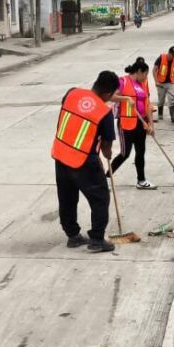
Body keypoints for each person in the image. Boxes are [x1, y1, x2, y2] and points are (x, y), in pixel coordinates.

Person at [51, 71, 121, 253]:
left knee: (66, 198)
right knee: (100, 198)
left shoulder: (72, 93)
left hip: (60, 154)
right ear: (107, 94)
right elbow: (106, 146)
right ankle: (97, 240)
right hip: (83, 160)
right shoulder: (104, 112)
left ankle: (73, 236)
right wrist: (107, 155)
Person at [110, 57, 158, 190]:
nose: (146, 78)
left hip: (140, 123)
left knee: (140, 151)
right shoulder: (123, 81)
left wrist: (151, 125)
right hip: (126, 123)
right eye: (145, 74)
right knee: (125, 153)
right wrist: (126, 98)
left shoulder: (143, 84)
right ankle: (106, 177)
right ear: (138, 71)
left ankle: (141, 180)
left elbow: (148, 105)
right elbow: (111, 97)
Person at [153, 46, 174, 122]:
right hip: (160, 83)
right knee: (161, 100)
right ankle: (160, 114)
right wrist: (156, 81)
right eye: (172, 54)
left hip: (171, 83)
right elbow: (154, 70)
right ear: (169, 53)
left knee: (171, 99)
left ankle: (173, 116)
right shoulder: (161, 58)